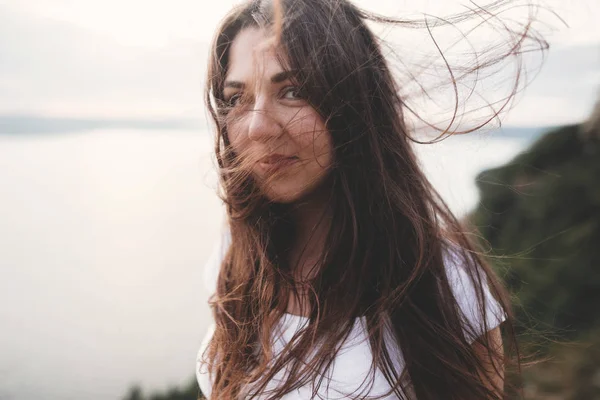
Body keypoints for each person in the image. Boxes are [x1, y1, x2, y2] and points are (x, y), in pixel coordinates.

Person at [196, 0, 544, 398]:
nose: (257, 125)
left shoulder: (447, 283)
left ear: (355, 103)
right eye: (237, 98)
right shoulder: (238, 249)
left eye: (292, 91)